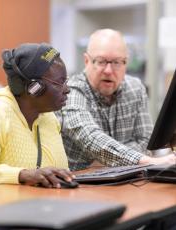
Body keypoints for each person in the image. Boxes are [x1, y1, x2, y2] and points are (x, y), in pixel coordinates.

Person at [0, 42, 76, 189]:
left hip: (42, 206)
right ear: (34, 88)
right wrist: (23, 175)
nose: (67, 89)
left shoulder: (49, 117)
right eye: (59, 82)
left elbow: (60, 172)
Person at [56, 29, 176, 171]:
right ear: (87, 61)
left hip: (127, 183)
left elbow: (145, 142)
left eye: (117, 62)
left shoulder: (135, 89)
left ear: (126, 63)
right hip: (80, 186)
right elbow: (91, 138)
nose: (108, 70)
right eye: (101, 62)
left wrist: (106, 158)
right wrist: (145, 160)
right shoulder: (71, 91)